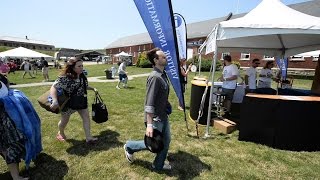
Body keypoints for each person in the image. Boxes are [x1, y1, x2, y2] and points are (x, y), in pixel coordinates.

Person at [123, 48, 172, 170]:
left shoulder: (162, 74)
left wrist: (166, 103)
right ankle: (129, 146)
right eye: (163, 57)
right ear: (156, 60)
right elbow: (149, 102)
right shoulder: (155, 77)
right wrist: (149, 124)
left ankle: (158, 165)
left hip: (163, 115)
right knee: (155, 143)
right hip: (155, 118)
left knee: (165, 141)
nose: (166, 58)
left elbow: (160, 95)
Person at [0, 74, 41, 180]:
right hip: (7, 122)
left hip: (6, 119)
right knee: (13, 147)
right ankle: (16, 177)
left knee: (6, 147)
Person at [50, 57, 98, 144]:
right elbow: (53, 87)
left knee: (86, 118)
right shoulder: (65, 77)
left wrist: (92, 88)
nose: (81, 68)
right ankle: (61, 133)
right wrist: (54, 101)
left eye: (82, 66)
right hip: (68, 103)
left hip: (81, 101)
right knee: (64, 121)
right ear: (72, 67)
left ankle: (88, 138)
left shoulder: (82, 75)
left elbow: (83, 86)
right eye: (79, 66)